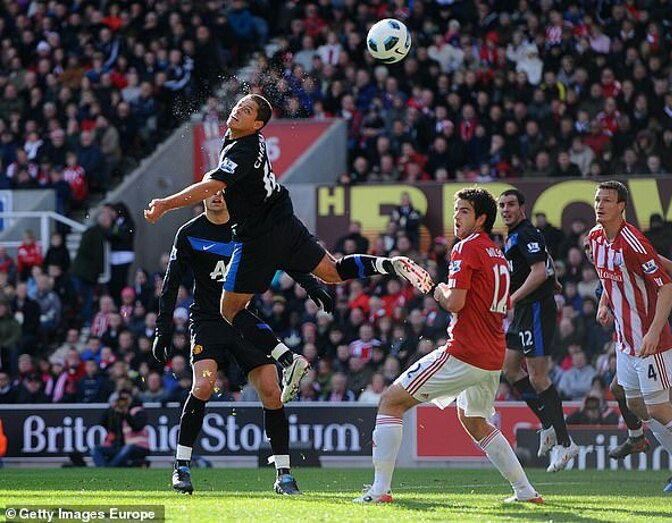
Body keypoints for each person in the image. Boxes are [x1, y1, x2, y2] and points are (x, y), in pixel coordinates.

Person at [144, 93, 433, 403]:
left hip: (257, 236)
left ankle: (288, 359)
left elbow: (212, 186)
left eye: (247, 110)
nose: (238, 110)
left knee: (230, 310)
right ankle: (392, 264)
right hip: (284, 220)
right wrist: (310, 284)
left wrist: (166, 204)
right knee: (333, 272)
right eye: (239, 105)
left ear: (257, 124)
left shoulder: (243, 149)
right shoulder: (248, 140)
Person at [354, 187, 542, 504]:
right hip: (492, 354)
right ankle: (525, 491)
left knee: (390, 401)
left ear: (481, 218)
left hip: (465, 351)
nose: (456, 216)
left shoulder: (465, 247)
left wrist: (434, 289)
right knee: (474, 421)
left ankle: (379, 490)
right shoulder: (496, 253)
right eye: (455, 210)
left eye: (464, 211)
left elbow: (454, 302)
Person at [154, 191, 331, 495]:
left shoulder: (249, 226)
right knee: (203, 385)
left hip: (244, 320)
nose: (217, 197)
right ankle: (181, 466)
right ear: (201, 198)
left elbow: (284, 256)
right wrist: (162, 330)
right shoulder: (189, 233)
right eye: (210, 192)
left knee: (272, 391)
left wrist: (312, 286)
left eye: (222, 191)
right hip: (208, 322)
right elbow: (171, 284)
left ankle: (284, 475)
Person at [588, 180, 672, 494]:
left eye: (607, 200)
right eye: (597, 199)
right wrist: (604, 304)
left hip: (651, 342)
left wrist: (653, 331)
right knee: (636, 404)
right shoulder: (595, 238)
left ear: (621, 207)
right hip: (624, 341)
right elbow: (608, 279)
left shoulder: (634, 243)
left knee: (660, 407)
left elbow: (665, 288)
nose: (600, 205)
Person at [497, 189, 577, 472]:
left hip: (535, 309)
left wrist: (512, 298)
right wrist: (554, 278)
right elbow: (545, 261)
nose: (505, 209)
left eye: (511, 204)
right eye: (502, 205)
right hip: (524, 311)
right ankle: (547, 425)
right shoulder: (517, 235)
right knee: (510, 369)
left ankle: (566, 443)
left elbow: (539, 271)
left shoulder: (526, 233)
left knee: (538, 377)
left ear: (522, 207)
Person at [92, 389, 150, 467]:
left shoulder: (138, 410)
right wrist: (111, 409)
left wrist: (126, 413)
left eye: (126, 398)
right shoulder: (119, 412)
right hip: (122, 446)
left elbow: (137, 427)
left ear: (131, 398)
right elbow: (102, 423)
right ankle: (103, 468)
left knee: (126, 449)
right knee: (96, 449)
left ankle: (109, 469)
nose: (124, 401)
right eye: (121, 399)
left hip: (139, 446)